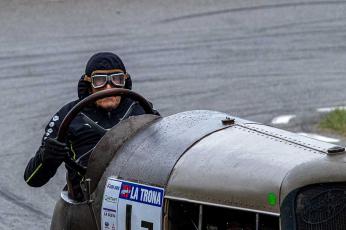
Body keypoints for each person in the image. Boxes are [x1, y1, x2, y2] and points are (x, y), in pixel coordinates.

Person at [24, 52, 159, 201]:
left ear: (125, 82)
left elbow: (165, 153)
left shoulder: (142, 109)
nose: (108, 87)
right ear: (89, 85)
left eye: (116, 79)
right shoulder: (67, 117)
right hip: (85, 203)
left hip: (134, 196)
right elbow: (32, 180)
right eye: (100, 81)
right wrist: (47, 157)